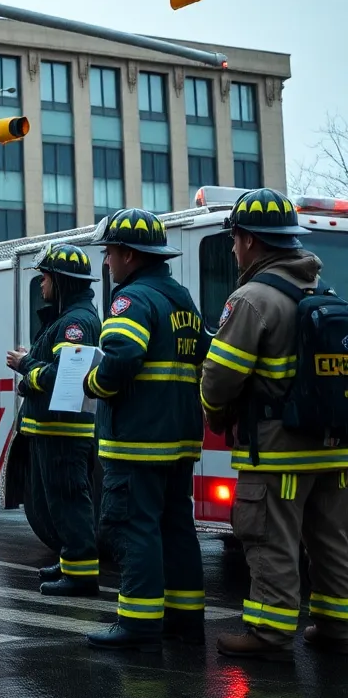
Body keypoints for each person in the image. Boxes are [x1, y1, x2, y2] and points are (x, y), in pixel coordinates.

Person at [201, 188, 348, 660]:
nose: (233, 247)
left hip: (278, 450)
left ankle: (268, 631)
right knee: (331, 538)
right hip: (333, 447)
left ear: (248, 241)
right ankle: (336, 625)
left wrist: (213, 409)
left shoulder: (251, 299)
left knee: (269, 536)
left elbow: (219, 376)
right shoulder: (324, 292)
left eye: (235, 238)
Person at [82, 209, 207, 652]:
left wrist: (93, 383)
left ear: (129, 256)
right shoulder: (182, 299)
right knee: (176, 527)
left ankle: (137, 622)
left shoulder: (130, 299)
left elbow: (121, 356)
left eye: (111, 253)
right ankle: (186, 618)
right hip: (179, 439)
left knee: (134, 527)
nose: (108, 262)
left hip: (137, 441)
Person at [6, 243, 101, 597]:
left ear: (60, 282)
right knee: (57, 504)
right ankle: (70, 561)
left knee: (69, 500)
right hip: (51, 429)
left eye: (45, 278)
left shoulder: (75, 323)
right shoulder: (66, 319)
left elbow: (65, 376)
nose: (41, 286)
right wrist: (30, 380)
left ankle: (80, 574)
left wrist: (25, 366)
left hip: (64, 432)